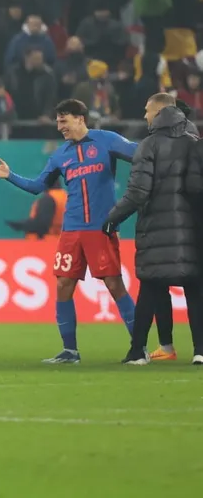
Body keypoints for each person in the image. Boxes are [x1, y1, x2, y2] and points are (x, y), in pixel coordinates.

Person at [0, 98, 138, 363]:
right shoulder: (60, 155)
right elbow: (38, 186)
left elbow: (140, 154)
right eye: (58, 121)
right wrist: (10, 176)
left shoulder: (107, 140)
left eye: (64, 121)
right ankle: (70, 351)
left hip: (100, 228)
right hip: (71, 231)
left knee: (114, 284)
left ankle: (138, 348)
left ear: (80, 118)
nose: (60, 127)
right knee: (63, 284)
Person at [104, 94, 203, 364]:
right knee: (195, 289)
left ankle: (138, 352)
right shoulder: (195, 142)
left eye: (147, 111)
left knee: (150, 287)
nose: (145, 116)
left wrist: (113, 218)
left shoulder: (149, 144)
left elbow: (138, 192)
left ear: (159, 112)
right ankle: (200, 351)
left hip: (157, 229)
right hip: (191, 230)